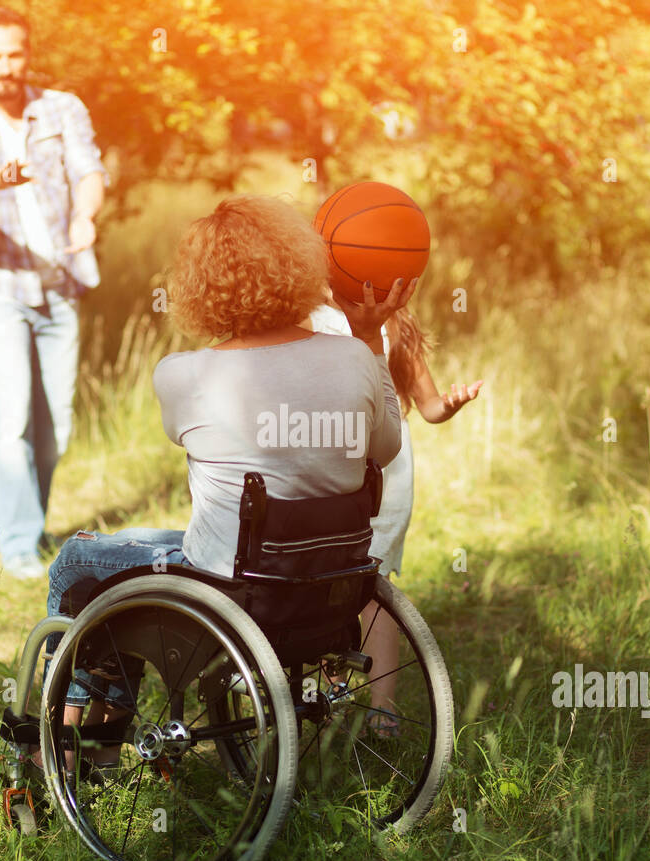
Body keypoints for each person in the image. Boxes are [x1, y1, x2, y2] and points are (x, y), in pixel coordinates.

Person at [40, 194, 414, 774]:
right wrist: (369, 342)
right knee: (130, 559)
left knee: (76, 563)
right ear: (302, 270)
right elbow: (386, 449)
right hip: (332, 587)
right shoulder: (355, 359)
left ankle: (73, 751)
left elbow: (184, 436)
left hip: (231, 589)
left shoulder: (184, 375)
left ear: (200, 287)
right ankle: (99, 746)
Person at [0, 6, 110, 579]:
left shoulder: (62, 108)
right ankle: (18, 548)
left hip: (60, 287)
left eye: (16, 53)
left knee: (55, 424)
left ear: (27, 53)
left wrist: (85, 218)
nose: (6, 65)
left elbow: (89, 173)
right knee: (12, 422)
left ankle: (31, 525)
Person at [303, 297, 482, 736]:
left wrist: (449, 404)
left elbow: (429, 405)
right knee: (328, 583)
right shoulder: (308, 315)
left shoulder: (396, 323)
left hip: (386, 469)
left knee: (372, 587)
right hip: (331, 463)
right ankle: (334, 696)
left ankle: (384, 712)